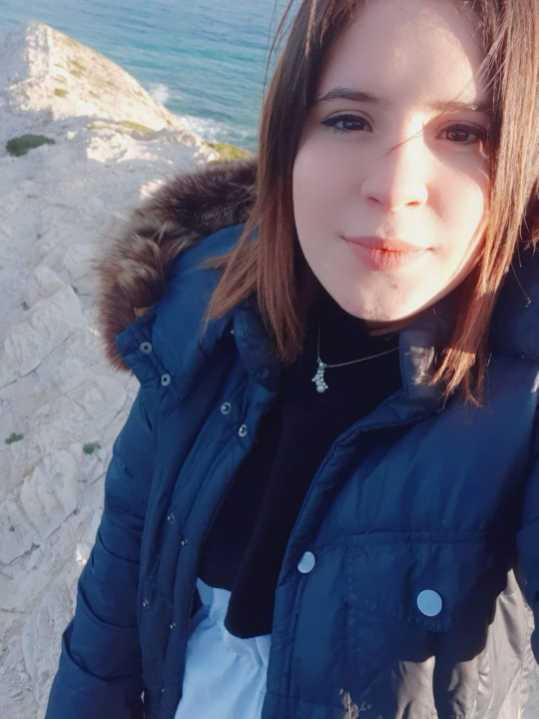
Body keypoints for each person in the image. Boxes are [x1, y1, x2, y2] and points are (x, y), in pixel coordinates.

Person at [45, 0, 539, 717]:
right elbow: (111, 613)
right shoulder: (195, 318)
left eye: (464, 133)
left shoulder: (523, 393)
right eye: (349, 119)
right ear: (289, 135)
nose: (394, 187)